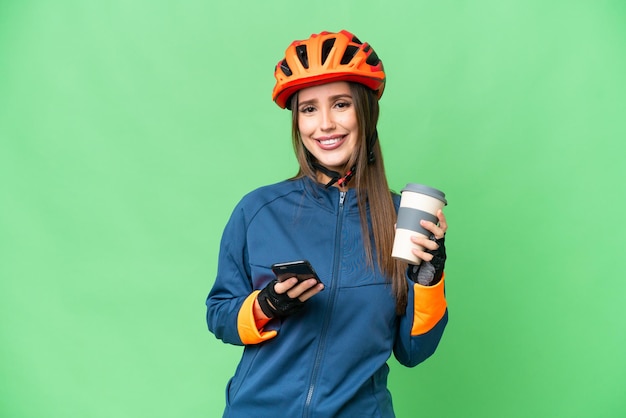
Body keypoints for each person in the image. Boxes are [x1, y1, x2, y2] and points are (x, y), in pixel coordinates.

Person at [206, 29, 449, 417]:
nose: (324, 125)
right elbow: (219, 313)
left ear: (365, 113)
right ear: (297, 122)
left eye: (340, 104)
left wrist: (428, 280)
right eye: (308, 109)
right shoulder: (258, 211)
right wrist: (266, 306)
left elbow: (413, 350)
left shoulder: (402, 218)